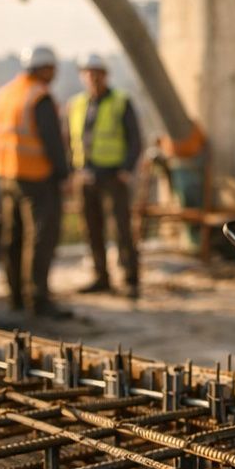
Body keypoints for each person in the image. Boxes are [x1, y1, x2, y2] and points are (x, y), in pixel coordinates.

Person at [0, 44, 70, 318]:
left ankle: (15, 297)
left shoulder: (6, 93)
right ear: (44, 68)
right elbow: (52, 141)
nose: (54, 74)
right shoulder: (39, 97)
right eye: (52, 69)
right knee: (39, 239)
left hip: (6, 174)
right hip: (36, 177)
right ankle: (37, 299)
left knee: (12, 237)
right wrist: (63, 174)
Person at [68, 53, 142, 299]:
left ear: (105, 75)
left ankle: (130, 279)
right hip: (85, 176)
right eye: (88, 73)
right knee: (92, 229)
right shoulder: (76, 104)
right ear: (82, 76)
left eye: (97, 73)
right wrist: (72, 172)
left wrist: (126, 170)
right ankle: (101, 277)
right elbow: (70, 139)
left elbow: (135, 139)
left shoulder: (120, 101)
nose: (93, 78)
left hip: (112, 175)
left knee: (121, 229)